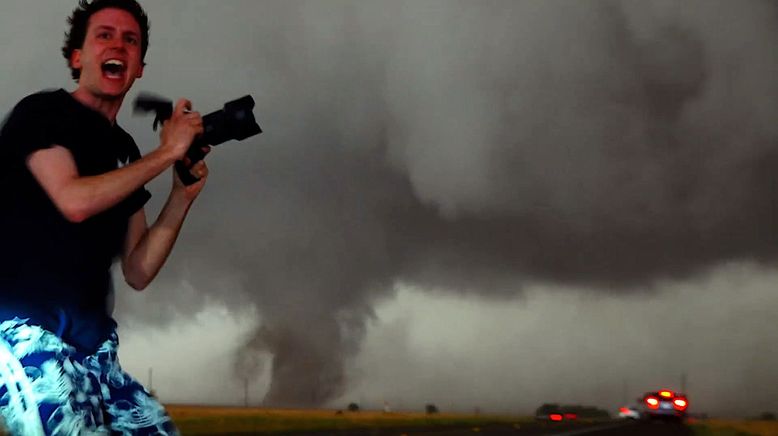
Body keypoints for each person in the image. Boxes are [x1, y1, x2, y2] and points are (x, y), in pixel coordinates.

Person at [0, 0, 208, 434]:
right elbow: (74, 200)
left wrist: (181, 195)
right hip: (23, 331)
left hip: (94, 347)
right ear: (77, 57)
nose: (118, 44)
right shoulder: (42, 114)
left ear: (139, 68)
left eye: (130, 40)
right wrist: (167, 152)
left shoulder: (127, 151)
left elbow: (138, 268)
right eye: (104, 34)